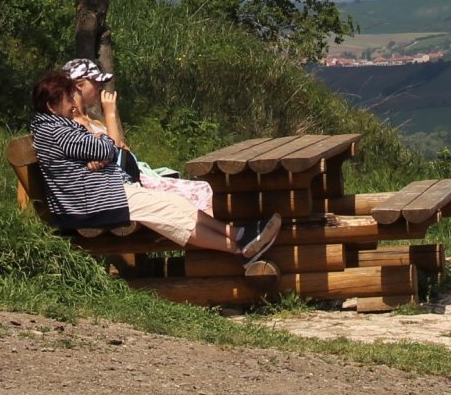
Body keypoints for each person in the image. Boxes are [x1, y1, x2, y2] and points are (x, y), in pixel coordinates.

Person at [29, 68, 279, 261]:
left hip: (104, 193)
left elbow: (103, 147)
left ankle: (240, 235)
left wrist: (99, 145)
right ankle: (240, 248)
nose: (74, 104)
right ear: (52, 106)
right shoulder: (55, 131)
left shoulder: (57, 127)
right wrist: (101, 143)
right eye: (67, 99)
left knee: (176, 203)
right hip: (92, 203)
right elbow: (107, 147)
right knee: (169, 215)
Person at [59, 57, 215, 214]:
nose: (99, 86)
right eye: (95, 81)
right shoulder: (73, 123)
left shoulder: (90, 121)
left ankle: (225, 234)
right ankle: (225, 235)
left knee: (204, 191)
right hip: (121, 187)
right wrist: (110, 114)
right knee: (201, 192)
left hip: (129, 178)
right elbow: (115, 148)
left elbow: (121, 148)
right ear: (79, 85)